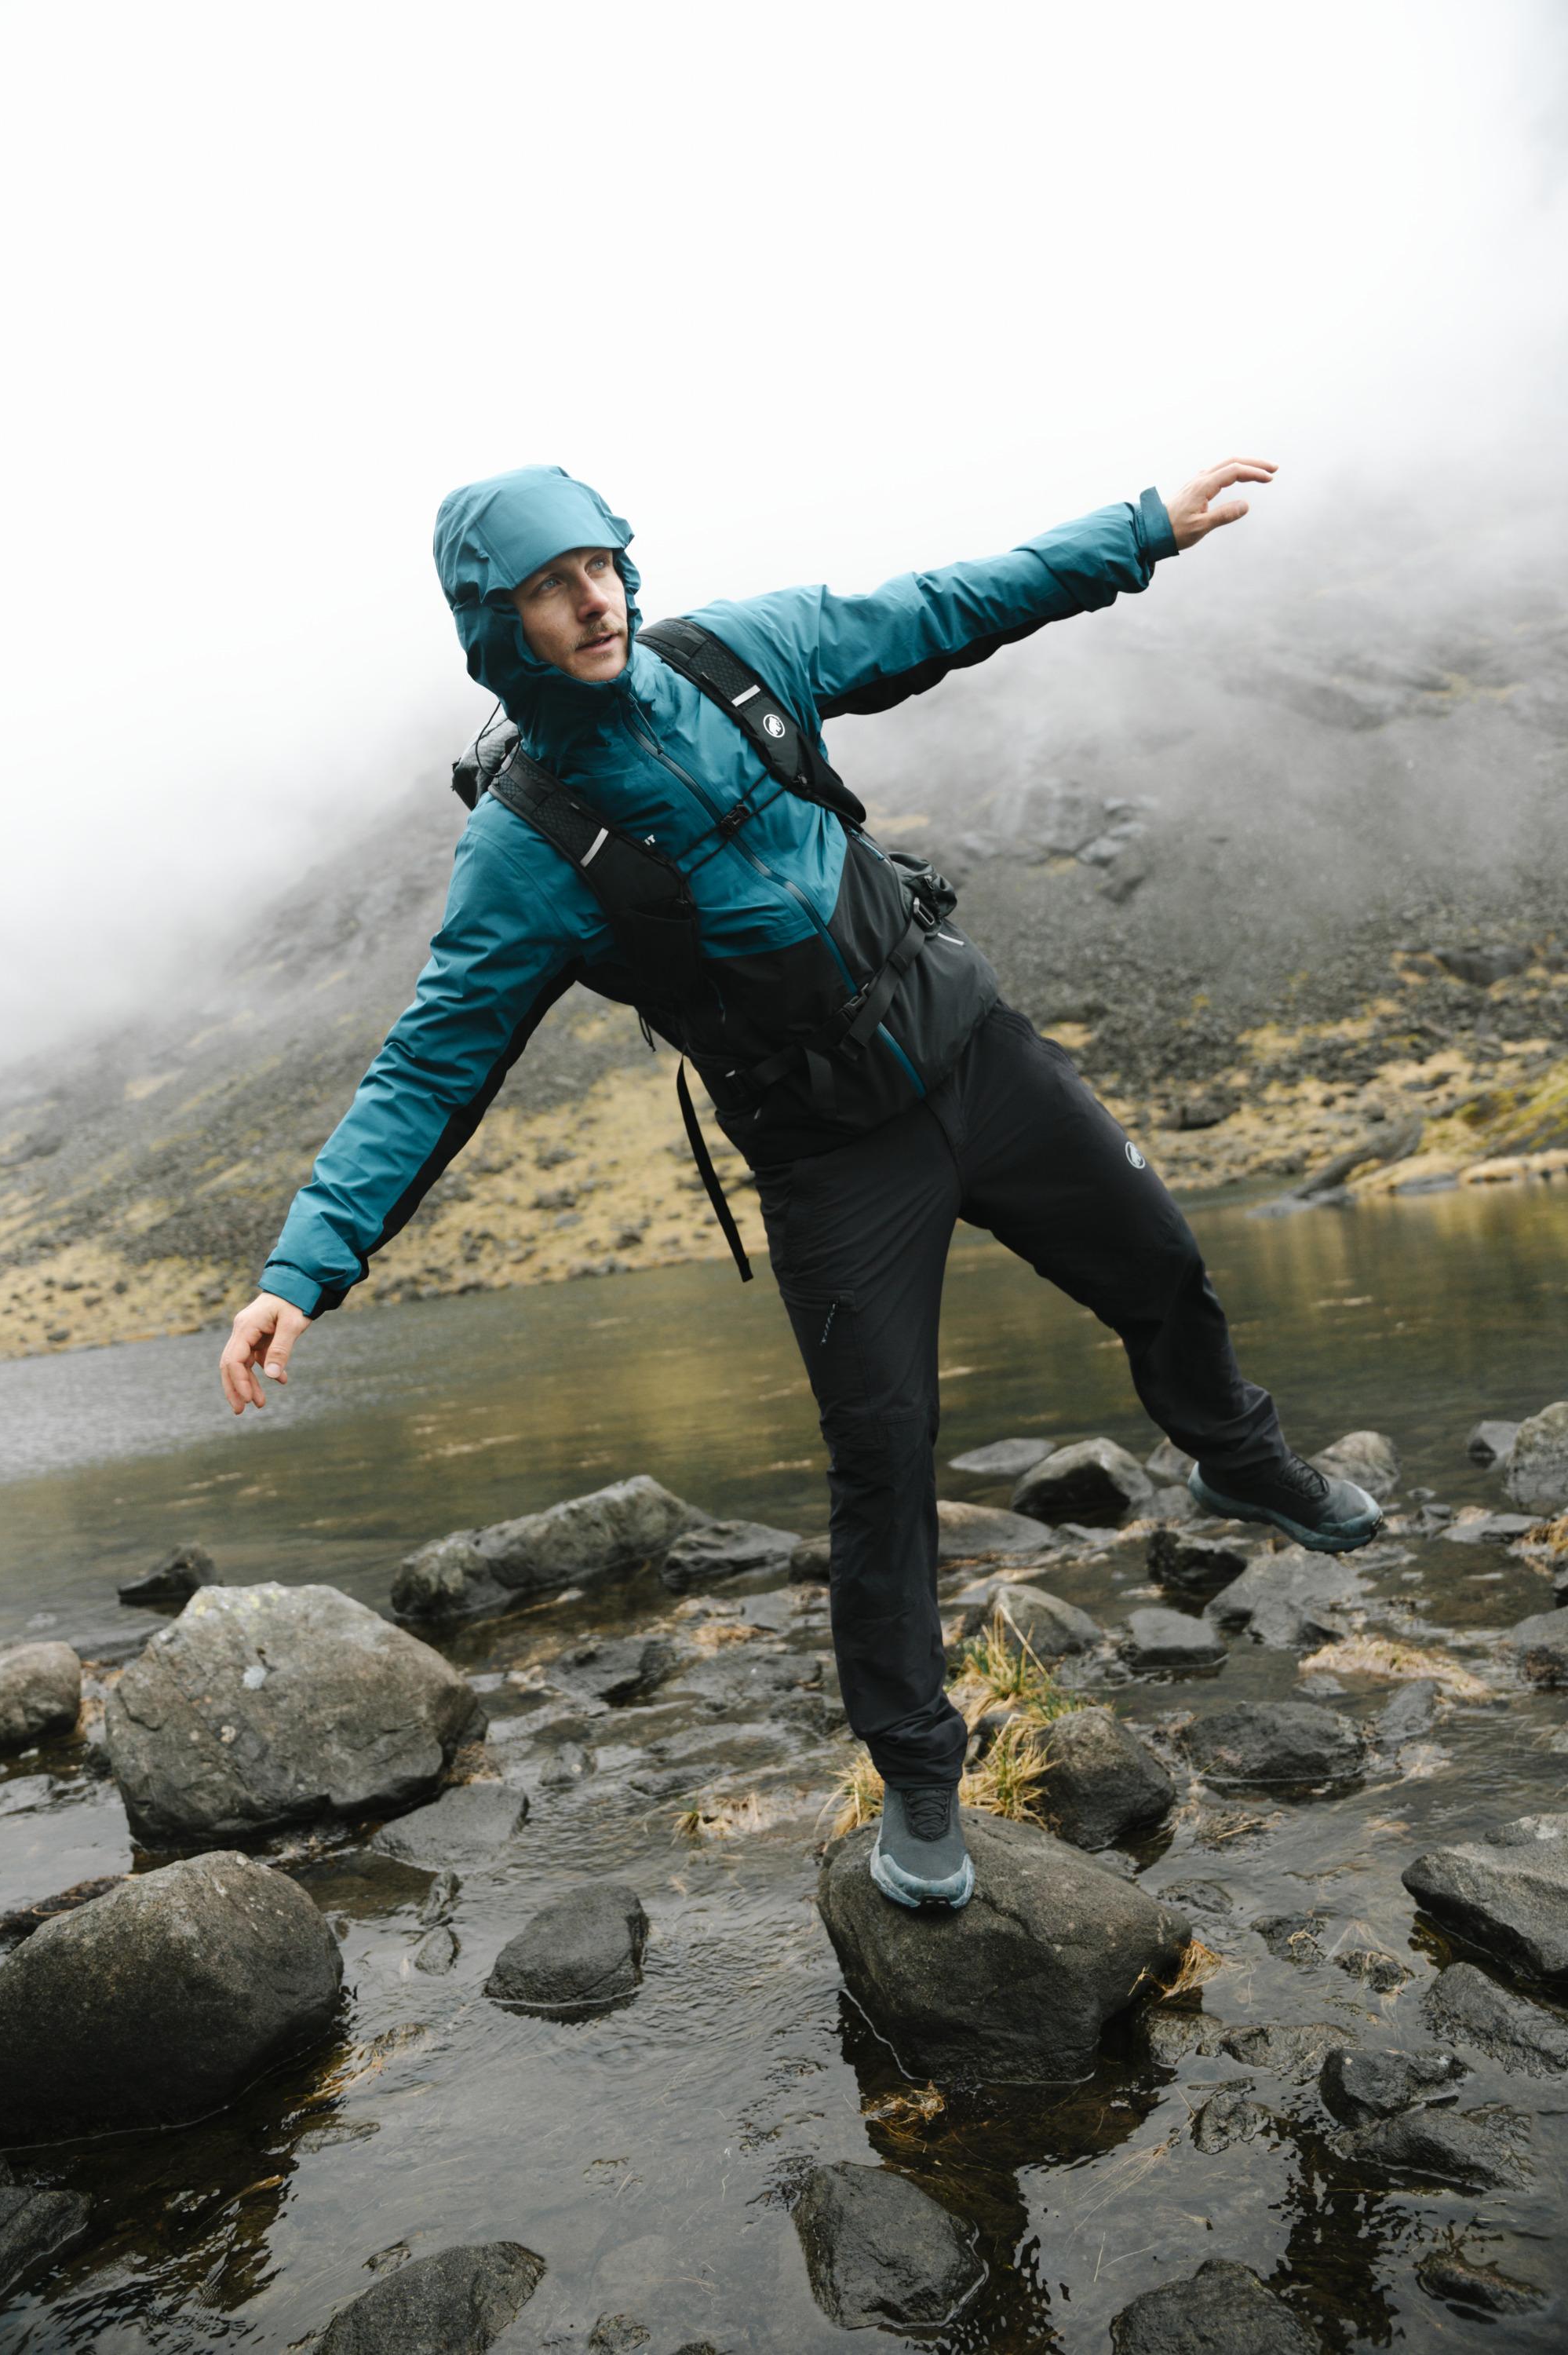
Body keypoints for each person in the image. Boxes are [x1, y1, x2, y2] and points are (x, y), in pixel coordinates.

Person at [219, 457, 1381, 1915]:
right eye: (547, 589)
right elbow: (430, 1066)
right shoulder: (523, 850)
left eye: (599, 568)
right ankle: (917, 1777)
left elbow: (950, 606)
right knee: (882, 1460)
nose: (592, 601)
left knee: (1163, 1265)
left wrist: (1139, 532)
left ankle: (1237, 1455)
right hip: (833, 1163)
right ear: (493, 627)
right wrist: (300, 1270)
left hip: (974, 1053)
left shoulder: (737, 654)